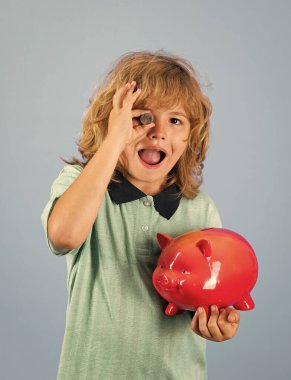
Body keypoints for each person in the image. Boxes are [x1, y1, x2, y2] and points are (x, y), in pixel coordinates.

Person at [41, 50, 240, 380]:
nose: (158, 131)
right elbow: (63, 236)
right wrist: (115, 140)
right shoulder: (82, 184)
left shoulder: (200, 209)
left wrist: (218, 323)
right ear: (113, 123)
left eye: (175, 120)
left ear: (190, 135)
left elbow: (211, 297)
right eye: (142, 118)